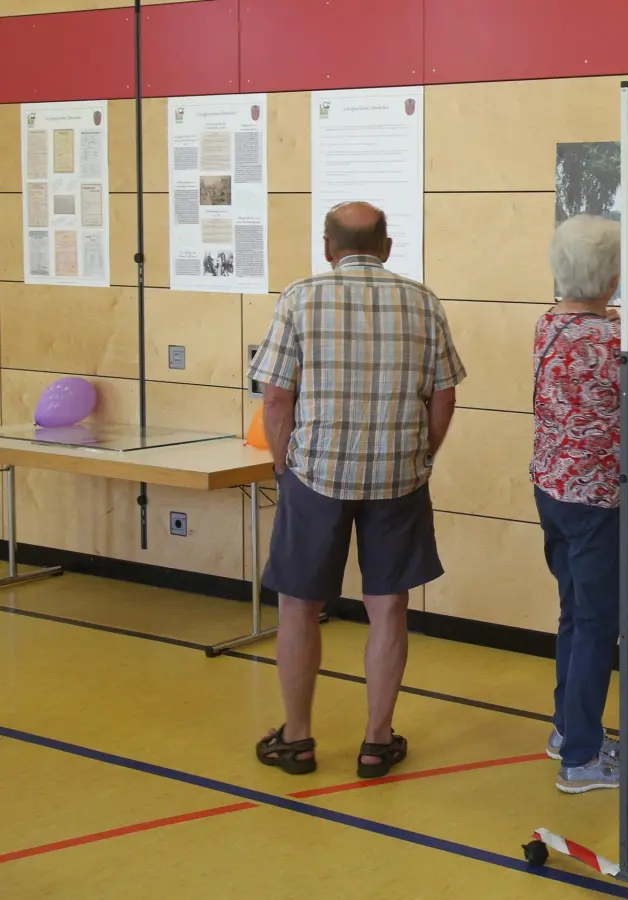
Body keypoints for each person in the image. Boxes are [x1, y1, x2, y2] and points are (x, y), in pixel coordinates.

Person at [250, 201, 465, 778]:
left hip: (315, 475)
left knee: (299, 604)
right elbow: (443, 397)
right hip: (398, 477)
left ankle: (297, 739)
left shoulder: (298, 298)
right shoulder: (423, 301)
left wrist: (283, 466)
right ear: (387, 247)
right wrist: (421, 455)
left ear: (328, 248)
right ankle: (375, 741)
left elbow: (275, 398)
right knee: (388, 608)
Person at [531, 214, 628, 794]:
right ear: (614, 275)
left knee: (575, 613)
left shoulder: (548, 325)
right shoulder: (613, 342)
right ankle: (580, 757)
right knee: (598, 624)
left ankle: (567, 727)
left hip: (552, 489)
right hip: (597, 500)